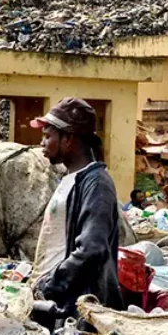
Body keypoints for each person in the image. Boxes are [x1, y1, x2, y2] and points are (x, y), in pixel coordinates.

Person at [31, 98, 124, 319]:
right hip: (55, 303)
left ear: (69, 138)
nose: (42, 143)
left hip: (77, 311)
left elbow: (91, 251)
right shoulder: (69, 179)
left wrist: (49, 285)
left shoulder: (97, 184)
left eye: (47, 136)